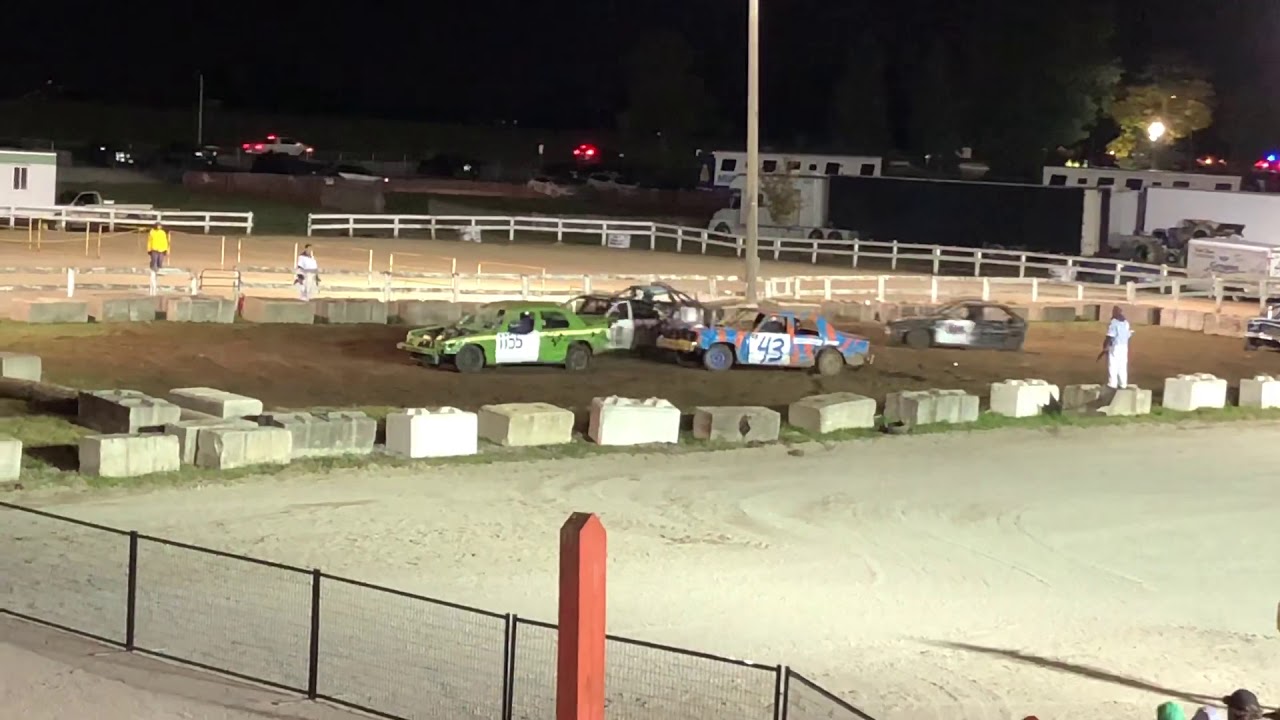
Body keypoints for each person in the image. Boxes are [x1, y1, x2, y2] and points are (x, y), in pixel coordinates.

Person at [1098, 305, 1133, 388]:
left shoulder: (1114, 323)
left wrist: (1105, 347)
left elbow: (1110, 336)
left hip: (1115, 346)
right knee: (1122, 365)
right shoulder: (1126, 323)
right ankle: (1123, 384)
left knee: (1113, 365)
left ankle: (1112, 383)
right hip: (1124, 347)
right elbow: (1128, 334)